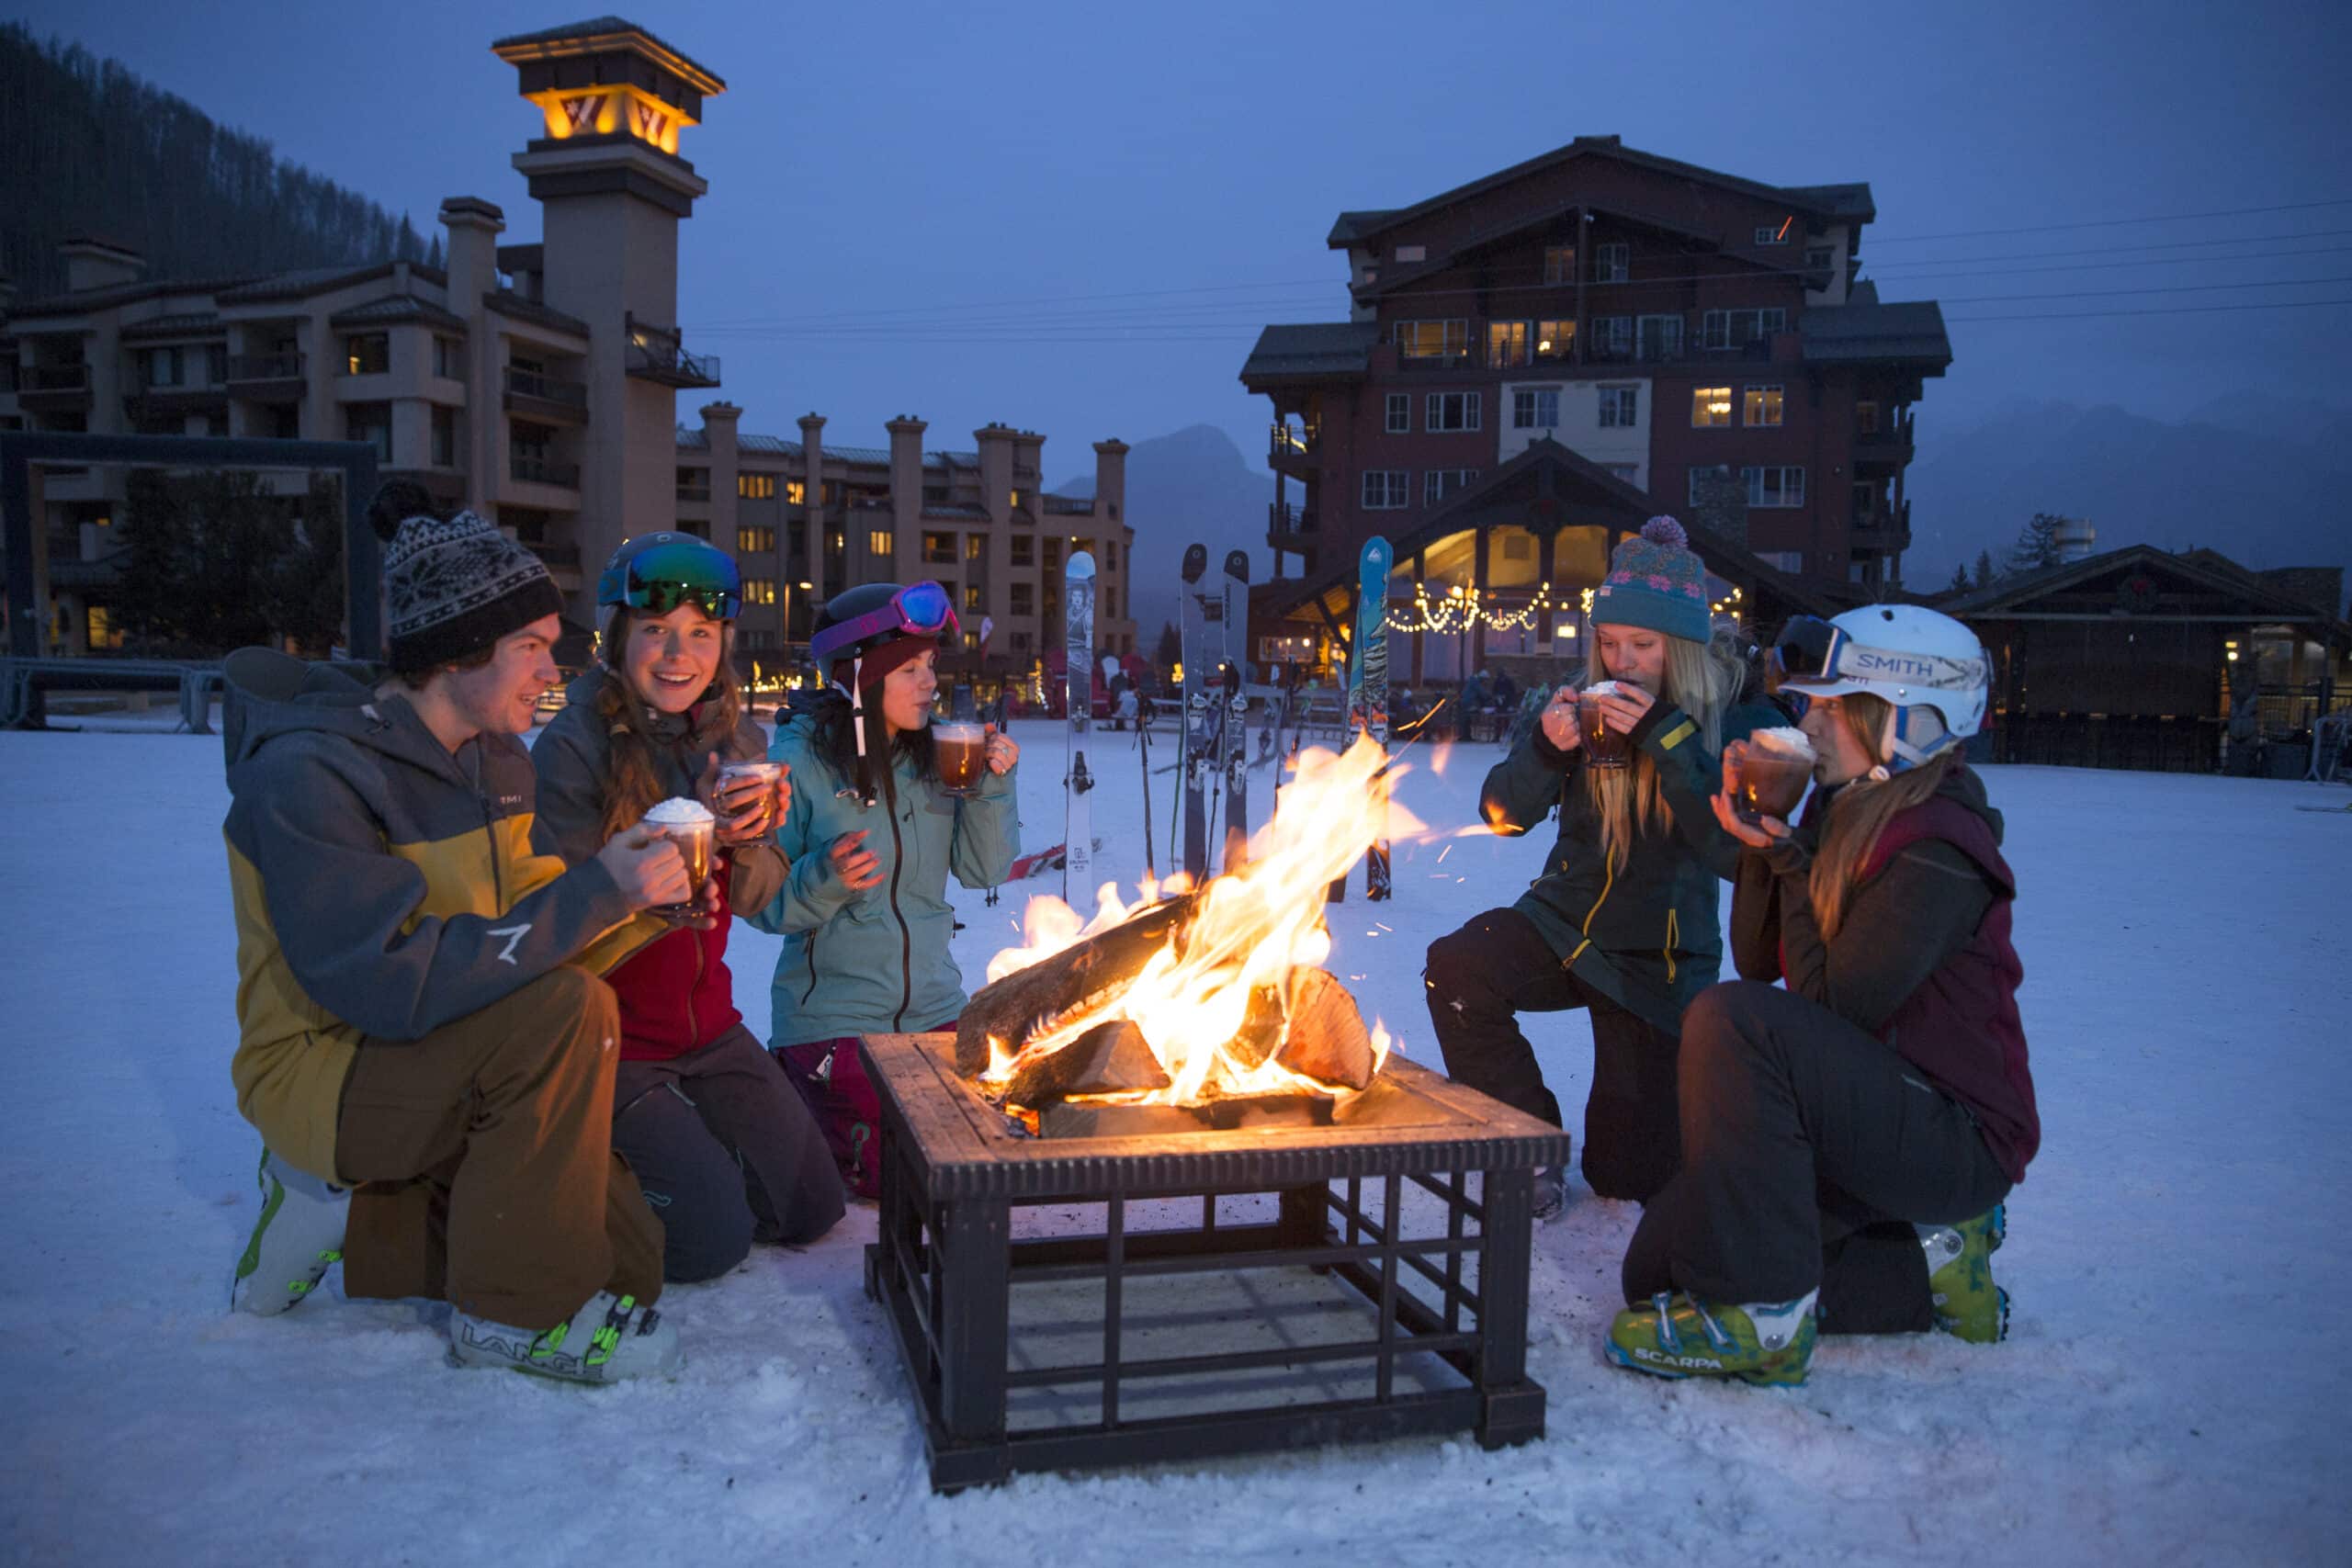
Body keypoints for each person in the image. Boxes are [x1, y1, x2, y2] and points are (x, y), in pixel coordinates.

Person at [223, 489, 693, 1382]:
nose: (549, 673)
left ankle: (354, 1223)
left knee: (635, 1262)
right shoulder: (309, 776)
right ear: (455, 653)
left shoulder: (496, 758)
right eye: (529, 649)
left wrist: (642, 900)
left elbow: (523, 933)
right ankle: (511, 1320)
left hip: (447, 1038)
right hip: (330, 1063)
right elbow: (386, 983)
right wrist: (594, 892)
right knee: (564, 1015)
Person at [1607, 604, 2038, 1387]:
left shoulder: (1939, 842)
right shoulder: (1846, 804)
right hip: (1869, 1109)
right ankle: (1929, 1261)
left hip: (1954, 1134)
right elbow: (1757, 958)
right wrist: (1763, 834)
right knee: (1660, 1268)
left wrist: (1789, 857)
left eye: (1831, 705)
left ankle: (1766, 1317)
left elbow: (1824, 1007)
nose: (1807, 719)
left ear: (1902, 720)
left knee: (1728, 1019)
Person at [1423, 518, 1773, 1216]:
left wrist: (1665, 737)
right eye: (1609, 644)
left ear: (1682, 646)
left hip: (1658, 961)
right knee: (1457, 966)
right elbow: (1503, 812)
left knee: (1626, 1173)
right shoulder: (1577, 704)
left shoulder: (1732, 723)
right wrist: (1548, 751)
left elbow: (1732, 852)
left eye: (1643, 645)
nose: (1623, 662)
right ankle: (1526, 1147)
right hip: (1562, 923)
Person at [531, 533, 847, 1283]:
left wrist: (747, 838)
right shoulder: (571, 748)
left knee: (811, 1205)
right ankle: (573, 1169)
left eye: (700, 635)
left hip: (706, 1030)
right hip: (611, 1036)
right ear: (618, 638)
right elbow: (560, 918)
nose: (679, 654)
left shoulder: (735, 739)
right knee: (711, 1243)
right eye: (656, 632)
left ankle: (684, 1154)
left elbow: (760, 893)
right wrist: (677, 826)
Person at [745, 581, 1021, 1195]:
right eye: (909, 668)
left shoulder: (942, 751)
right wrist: (824, 879)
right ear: (860, 674)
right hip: (833, 1024)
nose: (929, 683)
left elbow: (985, 871)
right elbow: (760, 904)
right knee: (900, 1175)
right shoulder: (797, 762)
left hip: (936, 1013)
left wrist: (992, 788)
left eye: (931, 666)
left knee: (983, 1148)